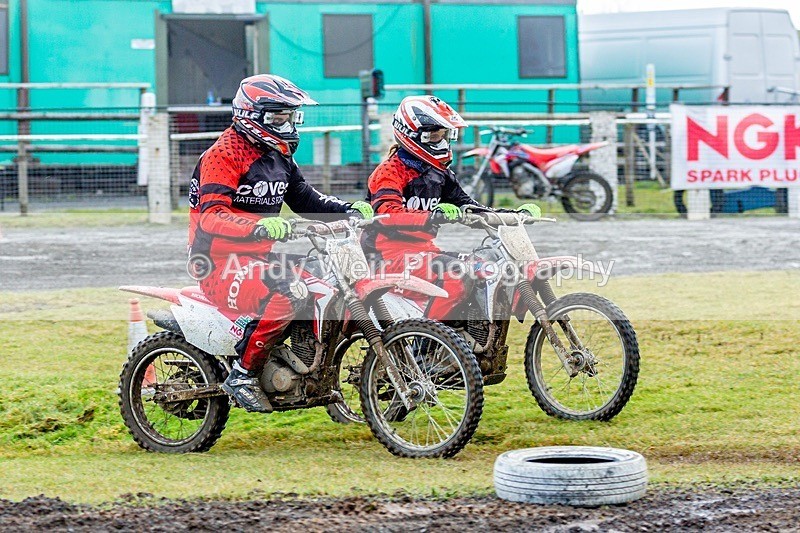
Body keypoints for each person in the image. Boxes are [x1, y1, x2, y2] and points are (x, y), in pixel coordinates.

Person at [188, 74, 373, 412]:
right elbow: (211, 216)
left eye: (290, 116)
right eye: (278, 117)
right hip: (217, 264)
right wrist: (258, 226)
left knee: (326, 284)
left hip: (258, 260)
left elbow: (305, 199)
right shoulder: (222, 155)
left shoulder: (279, 155)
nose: (286, 125)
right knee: (290, 292)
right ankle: (243, 373)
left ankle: (308, 369)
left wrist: (347, 209)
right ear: (251, 115)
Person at [363, 95, 539, 319]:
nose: (442, 142)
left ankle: (468, 337)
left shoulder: (439, 173)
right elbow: (387, 214)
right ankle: (426, 339)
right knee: (457, 274)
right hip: (385, 257)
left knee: (484, 268)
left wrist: (514, 216)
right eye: (435, 136)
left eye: (445, 135)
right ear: (412, 134)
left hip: (424, 252)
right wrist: (432, 216)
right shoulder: (389, 171)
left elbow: (469, 206)